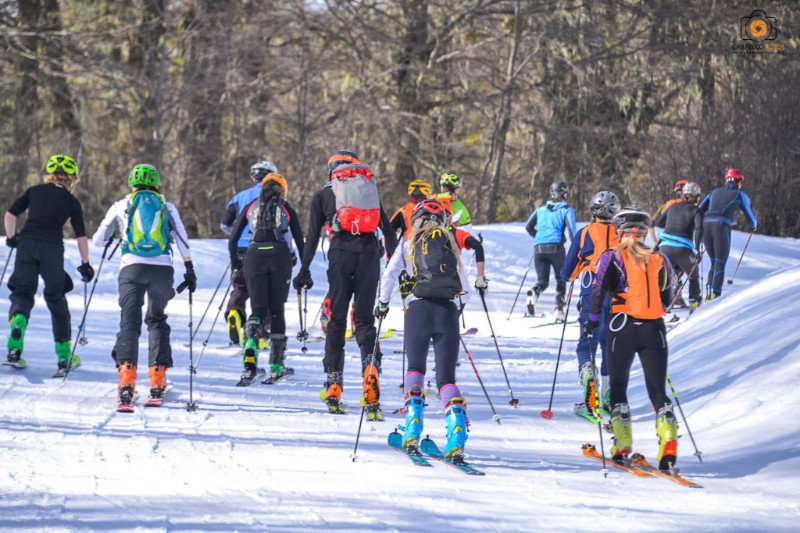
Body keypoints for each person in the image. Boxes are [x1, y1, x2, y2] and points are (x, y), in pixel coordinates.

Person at [376, 198, 486, 461]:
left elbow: (390, 275)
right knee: (446, 380)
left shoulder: (409, 244)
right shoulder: (450, 246)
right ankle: (456, 434)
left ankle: (412, 428)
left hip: (418, 311)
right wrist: (454, 305)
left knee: (415, 369)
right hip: (447, 313)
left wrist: (382, 304)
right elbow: (465, 291)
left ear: (416, 220)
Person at [293, 151, 398, 417]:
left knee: (337, 321)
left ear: (331, 170)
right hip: (369, 257)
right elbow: (387, 229)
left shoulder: (322, 196)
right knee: (364, 321)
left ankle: (334, 385)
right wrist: (395, 264)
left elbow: (312, 235)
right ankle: (370, 370)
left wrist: (304, 268)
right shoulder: (368, 193)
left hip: (340, 256)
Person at [92, 164, 195, 408]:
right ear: (157, 183)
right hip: (162, 270)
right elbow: (182, 240)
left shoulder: (121, 205)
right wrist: (189, 269)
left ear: (131, 184)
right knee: (156, 319)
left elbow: (98, 241)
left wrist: (118, 234)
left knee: (129, 322)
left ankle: (126, 384)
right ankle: (157, 383)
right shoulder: (167, 206)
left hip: (131, 268)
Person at [588, 205, 677, 472]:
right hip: (654, 330)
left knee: (618, 385)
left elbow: (598, 291)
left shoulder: (611, 257)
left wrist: (592, 321)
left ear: (619, 231)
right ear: (642, 232)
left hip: (622, 326)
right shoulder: (660, 258)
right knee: (657, 389)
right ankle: (669, 440)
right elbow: (667, 298)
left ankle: (622, 444)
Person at [4, 154, 93, 372]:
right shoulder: (72, 201)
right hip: (52, 249)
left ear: (49, 174)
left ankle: (16, 335)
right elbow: (81, 235)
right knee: (55, 297)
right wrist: (85, 263)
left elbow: (9, 215)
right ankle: (64, 356)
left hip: (27, 244)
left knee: (22, 292)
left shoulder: (34, 191)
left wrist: (12, 237)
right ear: (71, 178)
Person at [227, 172, 304, 383]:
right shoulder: (286, 208)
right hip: (279, 257)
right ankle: (276, 365)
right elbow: (300, 240)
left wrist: (236, 264)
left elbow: (233, 239)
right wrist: (304, 268)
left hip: (253, 257)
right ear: (282, 190)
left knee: (258, 309)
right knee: (277, 310)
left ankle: (250, 349)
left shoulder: (251, 206)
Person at [561, 190, 620, 415]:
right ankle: (607, 392)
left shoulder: (584, 233)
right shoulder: (621, 233)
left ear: (593, 210)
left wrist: (579, 270)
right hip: (616, 292)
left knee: (587, 340)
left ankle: (588, 375)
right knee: (608, 341)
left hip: (590, 288)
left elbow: (567, 272)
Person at [220, 160, 278, 346]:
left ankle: (235, 313)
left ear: (253, 177)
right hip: (265, 248)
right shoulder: (274, 196)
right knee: (265, 291)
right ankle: (262, 333)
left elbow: (225, 225)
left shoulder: (239, 197)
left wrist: (239, 236)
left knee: (240, 287)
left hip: (239, 249)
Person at [698, 168, 758, 301]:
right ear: (737, 181)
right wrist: (754, 225)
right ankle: (715, 298)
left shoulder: (713, 192)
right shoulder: (739, 194)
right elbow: (751, 219)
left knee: (714, 263)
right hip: (721, 226)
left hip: (706, 227)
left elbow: (698, 211)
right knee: (720, 263)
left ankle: (709, 294)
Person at [525, 180, 577, 321]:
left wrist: (540, 238)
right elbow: (573, 233)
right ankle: (559, 309)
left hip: (539, 249)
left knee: (543, 281)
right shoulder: (566, 209)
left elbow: (528, 226)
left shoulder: (540, 209)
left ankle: (534, 292)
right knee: (561, 279)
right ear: (564, 194)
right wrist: (578, 251)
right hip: (556, 249)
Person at [654, 182, 704, 313]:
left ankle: (660, 304)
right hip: (683, 249)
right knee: (693, 276)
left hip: (664, 248)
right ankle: (694, 304)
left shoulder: (672, 207)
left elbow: (659, 223)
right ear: (697, 197)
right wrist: (697, 250)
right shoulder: (696, 210)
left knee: (663, 277)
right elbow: (699, 229)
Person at [648, 179, 688, 245]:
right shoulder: (690, 208)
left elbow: (652, 223)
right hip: (681, 241)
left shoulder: (666, 205)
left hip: (664, 241)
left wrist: (655, 242)